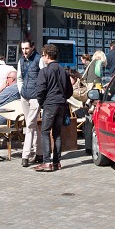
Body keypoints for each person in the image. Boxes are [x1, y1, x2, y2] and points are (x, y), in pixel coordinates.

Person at [34, 44, 73, 172]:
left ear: (48, 56)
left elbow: (40, 90)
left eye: (43, 55)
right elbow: (69, 92)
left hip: (50, 104)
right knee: (57, 133)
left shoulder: (44, 71)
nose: (42, 58)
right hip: (61, 103)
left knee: (45, 132)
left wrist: (41, 103)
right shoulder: (64, 71)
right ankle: (57, 162)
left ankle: (46, 162)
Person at [18, 39, 42, 167]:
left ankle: (25, 155)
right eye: (22, 49)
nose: (24, 51)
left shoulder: (39, 59)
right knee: (31, 125)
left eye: (26, 48)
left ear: (32, 47)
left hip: (35, 97)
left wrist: (40, 93)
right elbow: (19, 77)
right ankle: (39, 152)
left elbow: (44, 77)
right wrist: (21, 90)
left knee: (30, 125)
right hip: (25, 96)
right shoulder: (21, 60)